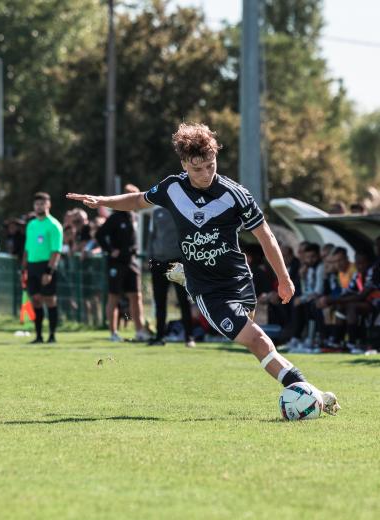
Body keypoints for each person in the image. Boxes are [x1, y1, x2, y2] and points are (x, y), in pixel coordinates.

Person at [67, 122, 337, 406]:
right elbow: (137, 200)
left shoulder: (237, 195)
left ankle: (309, 392)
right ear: (184, 164)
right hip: (209, 290)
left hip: (239, 280)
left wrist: (283, 278)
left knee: (256, 339)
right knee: (258, 341)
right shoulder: (172, 188)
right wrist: (102, 201)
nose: (206, 173)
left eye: (211, 165)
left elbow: (266, 235)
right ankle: (311, 395)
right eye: (198, 168)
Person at [95, 184, 150, 342]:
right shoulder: (115, 217)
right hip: (116, 263)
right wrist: (110, 250)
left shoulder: (134, 216)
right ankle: (113, 333)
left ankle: (139, 331)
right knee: (114, 297)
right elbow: (100, 235)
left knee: (136, 296)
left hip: (131, 262)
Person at [148, 205, 195, 347]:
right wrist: (150, 258)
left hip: (177, 262)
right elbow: (152, 236)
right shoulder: (156, 211)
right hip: (158, 262)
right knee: (159, 302)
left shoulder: (183, 209)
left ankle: (189, 337)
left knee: (183, 301)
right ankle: (159, 337)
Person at [21, 192, 63, 344]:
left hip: (46, 265)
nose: (39, 206)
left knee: (50, 300)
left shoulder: (54, 225)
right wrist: (24, 267)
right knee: (36, 300)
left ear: (48, 205)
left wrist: (49, 271)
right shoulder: (31, 225)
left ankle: (52, 335)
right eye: (37, 204)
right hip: (32, 267)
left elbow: (56, 251)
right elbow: (27, 249)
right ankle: (38, 336)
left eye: (42, 203)